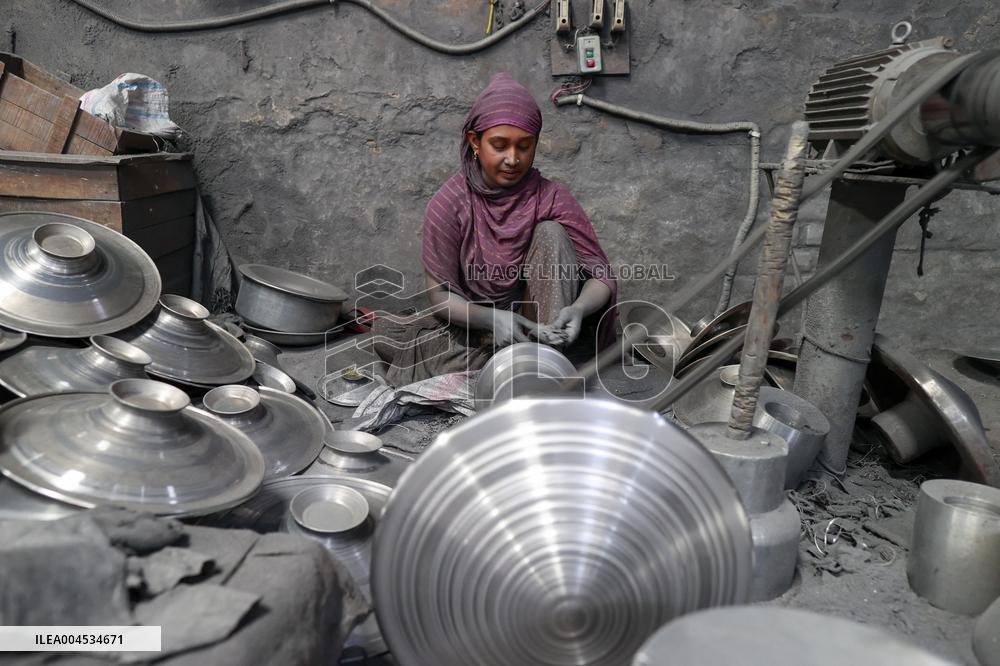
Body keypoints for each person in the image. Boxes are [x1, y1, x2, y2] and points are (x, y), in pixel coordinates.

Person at [371, 73, 617, 386]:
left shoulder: (551, 196)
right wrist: (492, 319)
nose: (513, 159)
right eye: (499, 146)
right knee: (390, 338)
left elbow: (601, 276)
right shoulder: (449, 203)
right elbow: (440, 296)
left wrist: (578, 309)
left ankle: (542, 363)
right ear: (475, 142)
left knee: (552, 233)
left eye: (524, 146)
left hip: (538, 326)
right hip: (477, 329)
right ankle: (515, 363)